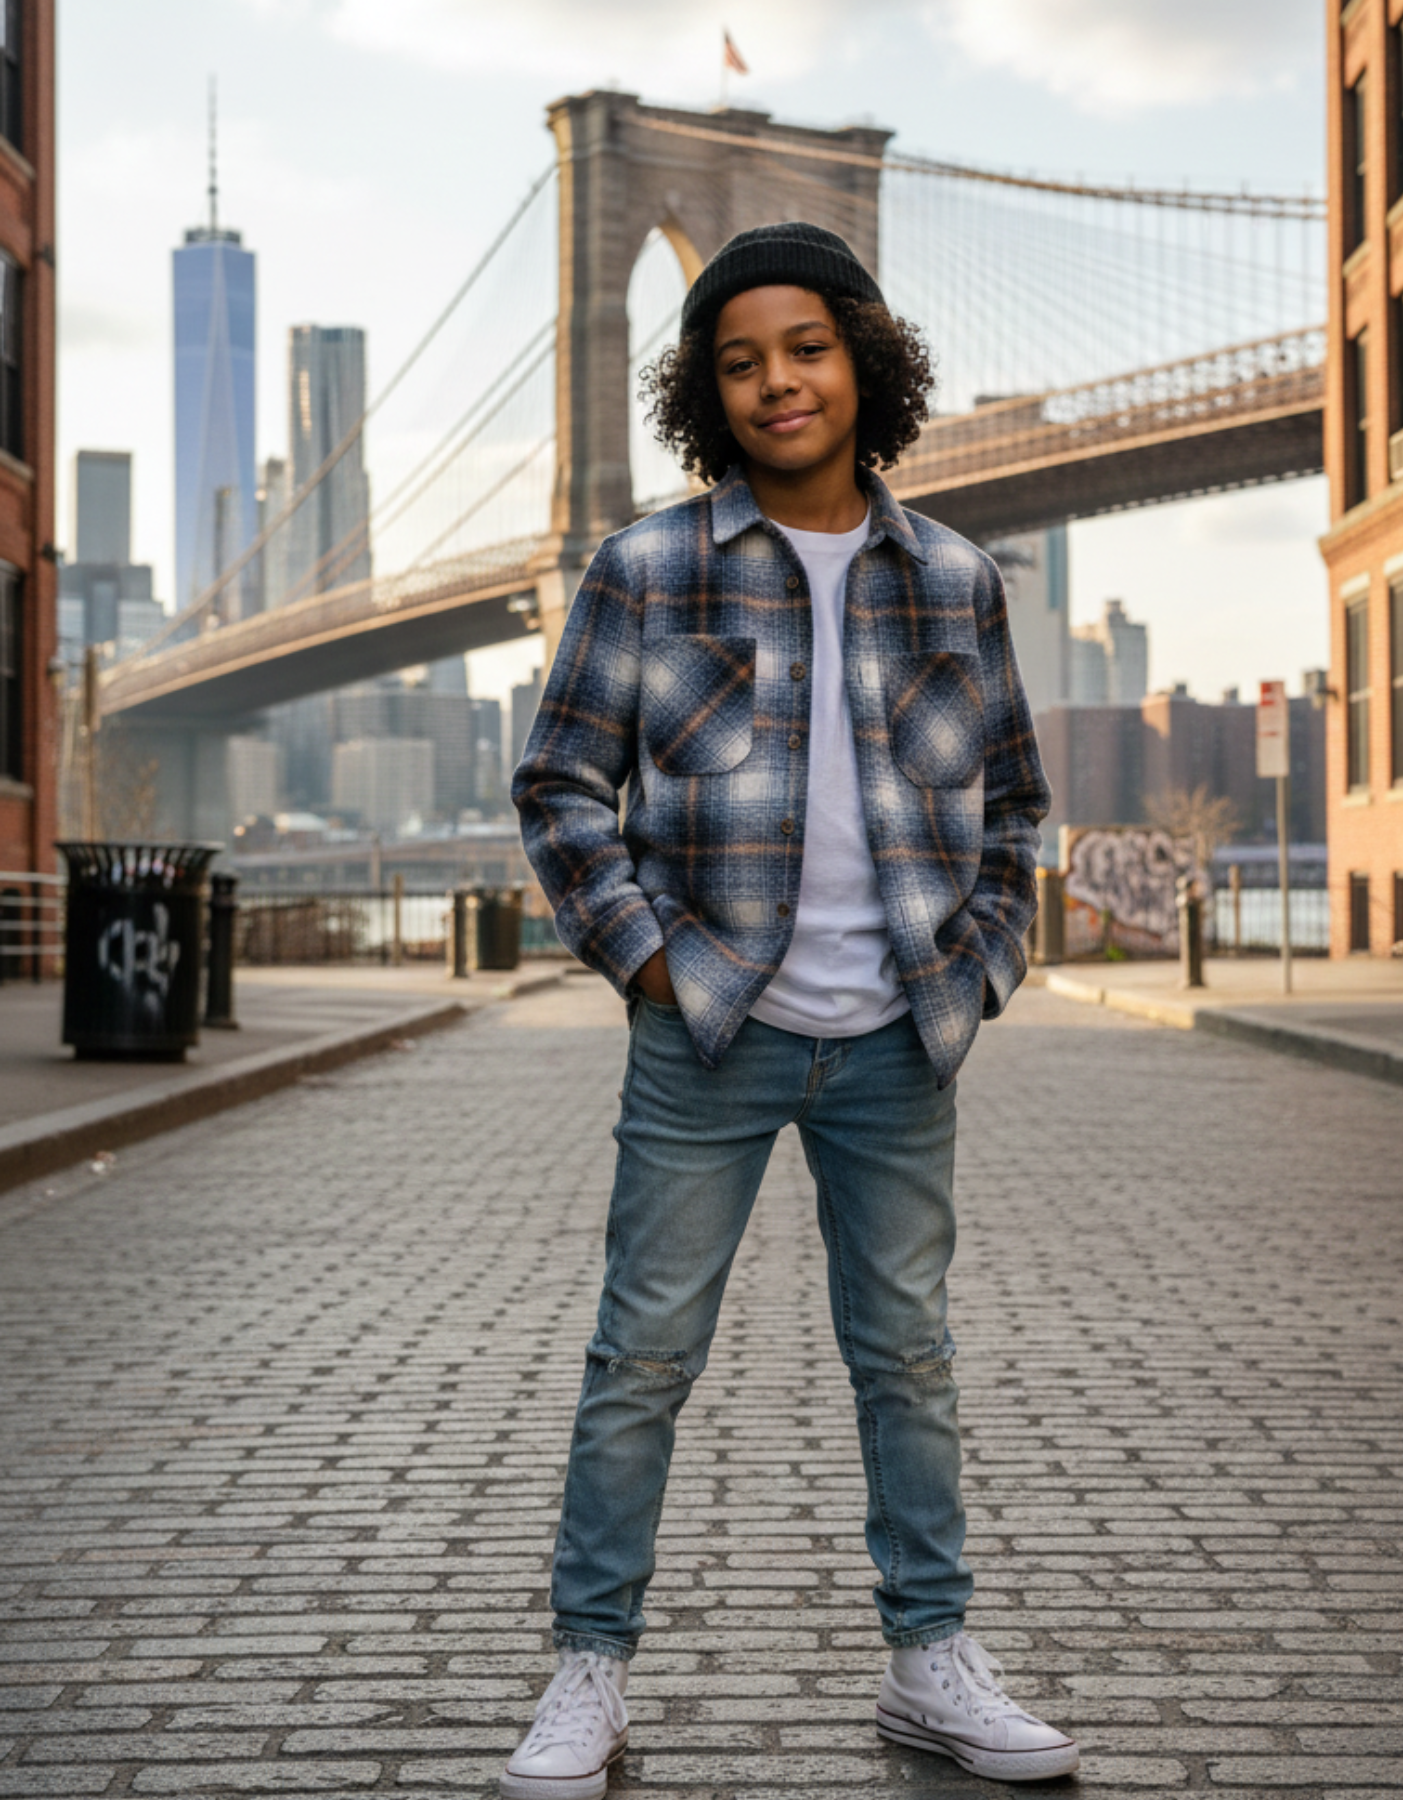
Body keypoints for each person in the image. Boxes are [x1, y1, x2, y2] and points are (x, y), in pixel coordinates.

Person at [504, 222, 1076, 1796]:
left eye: (808, 347)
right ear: (708, 391)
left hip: (903, 1038)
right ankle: (590, 1675)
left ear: (865, 360)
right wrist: (646, 963)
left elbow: (1016, 810)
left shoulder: (957, 577)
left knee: (908, 1358)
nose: (778, 381)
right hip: (711, 1034)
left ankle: (929, 1664)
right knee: (642, 1359)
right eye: (740, 359)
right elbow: (561, 787)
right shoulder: (647, 568)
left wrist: (978, 973)